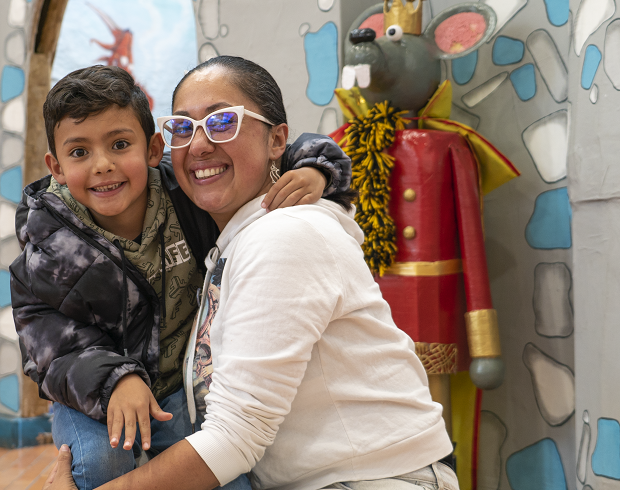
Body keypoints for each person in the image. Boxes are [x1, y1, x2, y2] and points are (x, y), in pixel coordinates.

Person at [44, 56, 456, 490]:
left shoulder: (283, 235)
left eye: (223, 121)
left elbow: (233, 437)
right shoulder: (231, 238)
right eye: (183, 128)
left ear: (277, 139)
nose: (199, 145)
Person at [10, 65, 354, 490]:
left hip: (179, 392)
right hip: (92, 395)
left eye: (120, 144)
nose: (102, 165)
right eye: (79, 153)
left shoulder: (189, 193)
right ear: (55, 166)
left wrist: (316, 170)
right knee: (102, 463)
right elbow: (49, 346)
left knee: (228, 480)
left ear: (154, 148)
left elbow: (286, 147)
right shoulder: (46, 244)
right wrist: (116, 379)